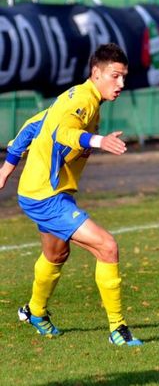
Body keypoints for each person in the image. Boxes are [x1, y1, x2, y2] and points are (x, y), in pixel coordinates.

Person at [0, 43, 142, 346]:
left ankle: (35, 311)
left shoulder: (77, 97)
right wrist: (99, 141)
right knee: (107, 247)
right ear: (96, 74)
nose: (121, 83)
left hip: (44, 191)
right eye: (115, 76)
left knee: (56, 254)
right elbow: (63, 133)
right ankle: (118, 329)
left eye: (124, 77)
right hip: (46, 196)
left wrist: (5, 170)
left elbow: (32, 125)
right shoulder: (82, 101)